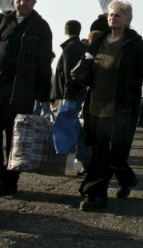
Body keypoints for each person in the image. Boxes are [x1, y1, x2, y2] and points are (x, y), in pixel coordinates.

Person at [79, 0, 143, 211]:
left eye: (117, 15)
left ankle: (96, 196)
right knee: (103, 150)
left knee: (105, 152)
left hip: (121, 107)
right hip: (96, 104)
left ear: (127, 20)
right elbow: (85, 65)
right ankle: (127, 179)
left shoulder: (134, 43)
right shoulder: (100, 39)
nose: (112, 18)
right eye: (110, 15)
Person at [0, 0, 53, 197]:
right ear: (14, 1)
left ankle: (9, 182)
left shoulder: (41, 27)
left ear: (34, 2)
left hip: (21, 94)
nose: (23, 3)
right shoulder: (6, 21)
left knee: (14, 140)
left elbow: (45, 63)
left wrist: (44, 96)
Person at [53, 20, 92, 175]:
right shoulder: (82, 48)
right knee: (74, 128)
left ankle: (88, 161)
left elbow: (69, 73)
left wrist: (66, 95)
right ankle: (88, 161)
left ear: (65, 30)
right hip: (78, 92)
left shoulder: (69, 48)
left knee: (70, 129)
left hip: (70, 95)